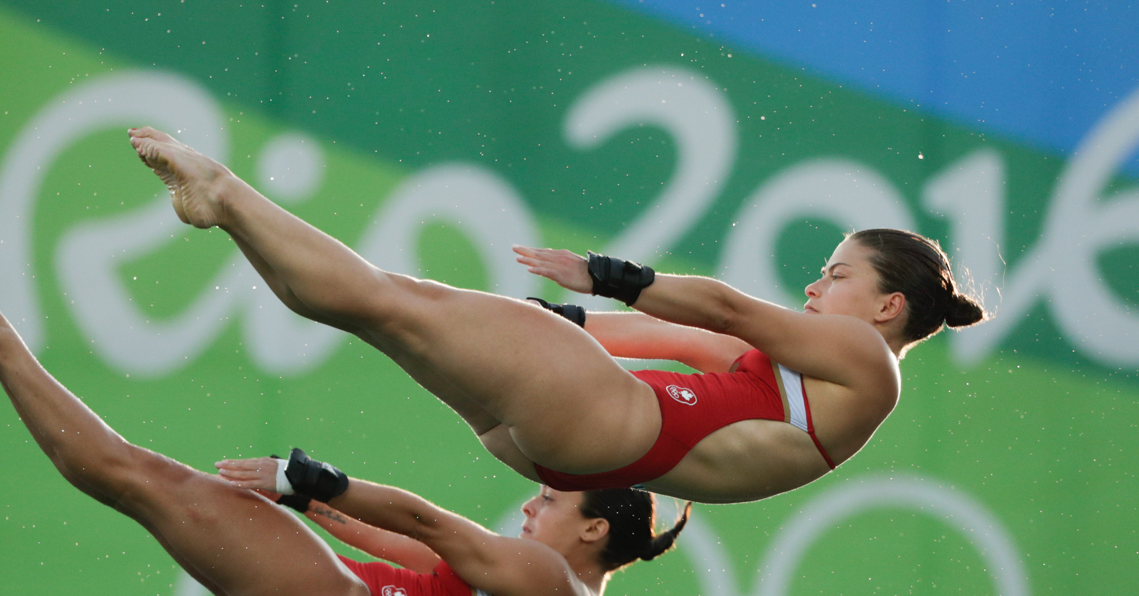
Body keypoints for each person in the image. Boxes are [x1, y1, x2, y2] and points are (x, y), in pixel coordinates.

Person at [0, 262, 686, 596]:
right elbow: (418, 553)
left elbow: (430, 525)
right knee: (145, 483)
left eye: (552, 499)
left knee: (140, 478)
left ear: (593, 528)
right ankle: (0, 350)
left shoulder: (554, 585)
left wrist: (311, 479)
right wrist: (325, 511)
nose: (532, 499)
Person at [128, 127, 986, 503]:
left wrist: (609, 275)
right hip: (569, 439)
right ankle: (226, 212)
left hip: (611, 419)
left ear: (887, 305)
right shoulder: (823, 375)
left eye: (832, 276)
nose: (812, 289)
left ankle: (226, 192)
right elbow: (689, 335)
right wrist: (551, 320)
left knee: (389, 298)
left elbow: (724, 305)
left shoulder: (868, 364)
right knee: (381, 310)